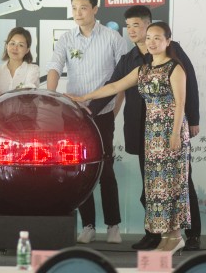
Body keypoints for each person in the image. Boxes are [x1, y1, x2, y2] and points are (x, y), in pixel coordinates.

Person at [68, 22, 190, 255]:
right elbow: (114, 86)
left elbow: (180, 103)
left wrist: (175, 134)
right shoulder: (143, 70)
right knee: (156, 186)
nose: (152, 42)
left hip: (171, 132)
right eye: (149, 37)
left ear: (168, 41)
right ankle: (167, 238)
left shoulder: (175, 68)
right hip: (152, 134)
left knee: (172, 183)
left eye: (158, 38)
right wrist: (84, 97)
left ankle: (175, 237)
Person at [47, 0, 127, 244]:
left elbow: (123, 77)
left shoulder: (113, 38)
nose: (78, 13)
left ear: (95, 9)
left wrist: (115, 108)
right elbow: (54, 67)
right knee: (79, 170)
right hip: (75, 115)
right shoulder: (66, 39)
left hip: (103, 112)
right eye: (74, 8)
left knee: (105, 169)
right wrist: (51, 97)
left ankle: (113, 226)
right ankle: (88, 225)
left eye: (83, 7)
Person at [0, 27, 40, 92]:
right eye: (12, 43)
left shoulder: (32, 70)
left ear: (27, 50)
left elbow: (28, 92)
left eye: (21, 45)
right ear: (6, 46)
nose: (15, 48)